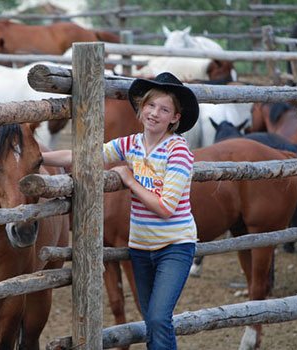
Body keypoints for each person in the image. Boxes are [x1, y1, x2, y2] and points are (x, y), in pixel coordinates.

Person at [41, 72, 199, 349]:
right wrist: (36, 157)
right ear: (141, 108)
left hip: (174, 246)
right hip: (140, 247)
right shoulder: (131, 144)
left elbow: (165, 207)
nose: (154, 114)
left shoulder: (178, 151)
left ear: (175, 118)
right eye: (150, 106)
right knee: (151, 319)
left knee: (160, 318)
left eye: (164, 110)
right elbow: (84, 155)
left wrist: (129, 180)